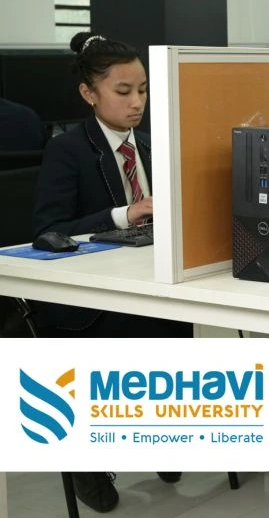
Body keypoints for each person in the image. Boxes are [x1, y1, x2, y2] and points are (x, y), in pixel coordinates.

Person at [30, 32, 189, 513]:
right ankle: (88, 457)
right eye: (123, 91)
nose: (137, 102)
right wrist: (125, 214)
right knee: (134, 328)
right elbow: (50, 229)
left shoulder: (152, 145)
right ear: (89, 93)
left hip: (145, 277)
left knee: (179, 322)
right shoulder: (69, 150)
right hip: (89, 295)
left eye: (143, 89)